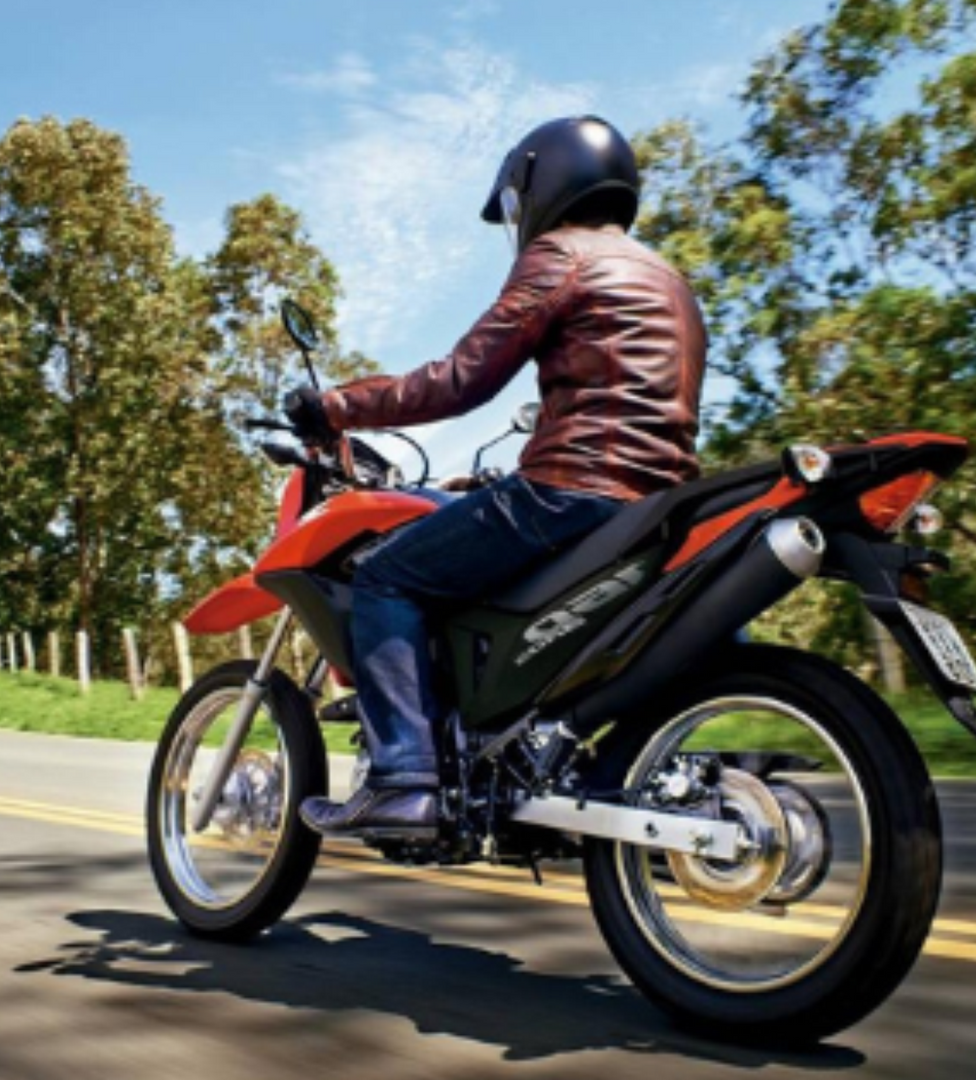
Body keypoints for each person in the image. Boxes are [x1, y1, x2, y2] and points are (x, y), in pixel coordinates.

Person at [291, 115, 708, 840]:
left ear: (543, 182)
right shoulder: (671, 280)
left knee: (386, 577)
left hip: (571, 492)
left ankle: (403, 780)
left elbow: (461, 379)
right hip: (657, 504)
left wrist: (336, 406)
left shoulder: (562, 254)